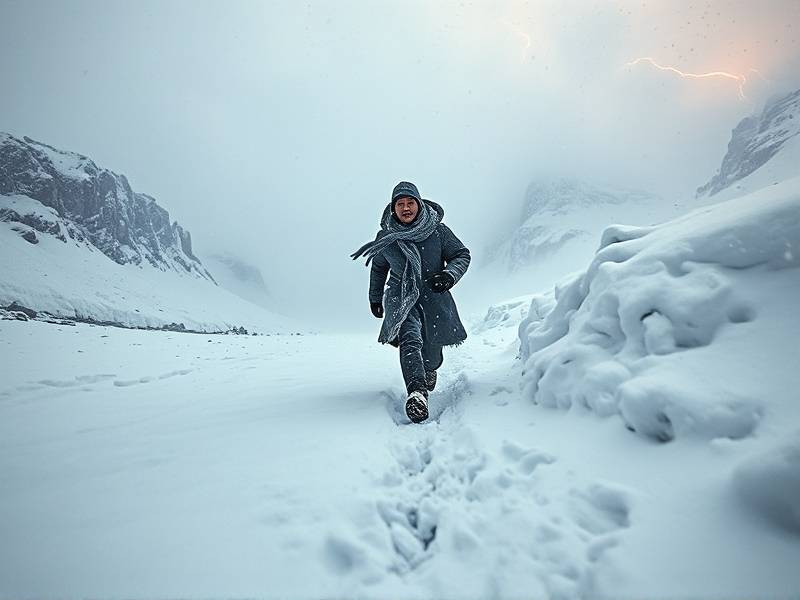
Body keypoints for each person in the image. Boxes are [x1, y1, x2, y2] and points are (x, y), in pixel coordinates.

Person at [351, 181, 471, 423]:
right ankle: (417, 392)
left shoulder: (438, 230)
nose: (405, 208)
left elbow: (461, 255)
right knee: (410, 339)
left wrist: (448, 276)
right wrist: (375, 298)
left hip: (433, 295)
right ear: (392, 208)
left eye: (410, 203)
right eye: (400, 204)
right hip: (401, 298)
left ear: (419, 203)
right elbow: (378, 268)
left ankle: (430, 369)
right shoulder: (386, 237)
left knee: (432, 350)